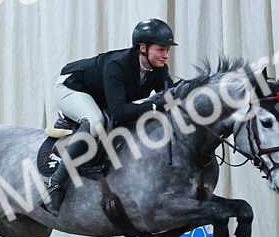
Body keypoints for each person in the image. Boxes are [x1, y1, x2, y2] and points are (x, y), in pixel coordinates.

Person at [42, 18, 177, 214]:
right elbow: (119, 112)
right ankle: (55, 185)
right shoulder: (117, 65)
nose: (166, 56)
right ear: (143, 48)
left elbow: (170, 97)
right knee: (96, 121)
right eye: (161, 49)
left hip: (100, 95)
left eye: (168, 50)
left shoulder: (159, 69)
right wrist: (154, 105)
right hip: (72, 87)